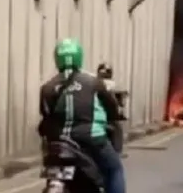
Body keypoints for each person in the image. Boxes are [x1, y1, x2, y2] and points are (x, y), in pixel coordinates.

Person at [38, 39, 126, 193]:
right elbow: (112, 108)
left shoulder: (47, 87)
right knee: (114, 169)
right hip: (91, 139)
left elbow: (46, 114)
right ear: (79, 57)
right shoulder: (93, 82)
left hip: (58, 142)